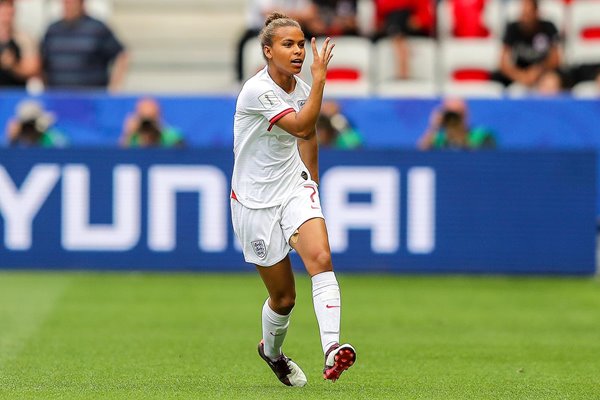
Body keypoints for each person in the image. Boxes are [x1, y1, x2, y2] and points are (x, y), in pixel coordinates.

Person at [230, 12, 356, 387]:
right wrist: (319, 82)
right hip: (253, 202)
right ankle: (272, 353)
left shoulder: (302, 87)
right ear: (268, 51)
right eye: (288, 44)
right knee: (284, 299)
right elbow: (301, 124)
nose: (298, 51)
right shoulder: (258, 90)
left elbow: (309, 134)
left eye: (301, 43)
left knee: (321, 258)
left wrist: (311, 185)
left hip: (293, 188)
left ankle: (332, 349)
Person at [40, 0, 128, 90]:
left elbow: (121, 55)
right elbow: (41, 61)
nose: (68, 6)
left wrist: (113, 88)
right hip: (58, 96)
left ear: (82, 4)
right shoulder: (53, 30)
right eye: (66, 2)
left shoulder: (97, 28)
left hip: (91, 97)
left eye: (72, 2)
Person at [494, 0, 561, 88]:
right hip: (519, 72)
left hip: (543, 72)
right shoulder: (512, 28)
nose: (525, 18)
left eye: (528, 14)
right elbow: (503, 62)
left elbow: (555, 59)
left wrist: (537, 71)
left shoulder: (548, 27)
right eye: (523, 13)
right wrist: (520, 76)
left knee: (551, 81)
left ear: (536, 13)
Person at [373, 0, 434, 79]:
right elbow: (378, 20)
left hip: (411, 29)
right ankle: (403, 72)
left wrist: (416, 21)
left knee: (398, 26)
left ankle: (402, 73)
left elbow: (426, 17)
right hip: (391, 28)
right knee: (396, 25)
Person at [418, 98, 496, 150]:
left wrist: (459, 136)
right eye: (450, 115)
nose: (453, 120)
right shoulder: (439, 139)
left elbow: (485, 160)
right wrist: (433, 127)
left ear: (466, 115)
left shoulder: (482, 135)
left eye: (457, 115)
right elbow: (420, 154)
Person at [0, 0, 41, 89]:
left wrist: (13, 66)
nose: (6, 17)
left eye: (9, 12)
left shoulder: (23, 39)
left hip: (16, 96)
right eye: (3, 12)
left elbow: (33, 69)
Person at [119, 97, 185, 148]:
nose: (147, 125)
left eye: (151, 117)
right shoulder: (133, 138)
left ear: (158, 115)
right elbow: (120, 158)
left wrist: (160, 129)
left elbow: (181, 154)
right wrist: (127, 134)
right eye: (144, 118)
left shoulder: (171, 135)